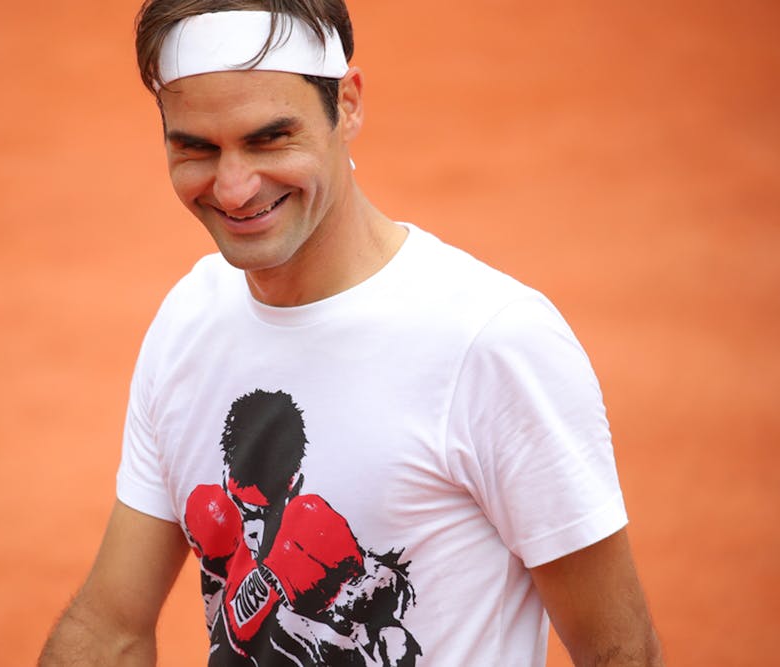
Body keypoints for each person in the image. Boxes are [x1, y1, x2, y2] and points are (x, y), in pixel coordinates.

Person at [39, 1, 664, 665]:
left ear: (350, 104)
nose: (233, 187)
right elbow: (111, 629)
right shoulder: (189, 322)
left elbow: (618, 651)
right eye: (195, 147)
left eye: (268, 138)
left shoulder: (490, 343)